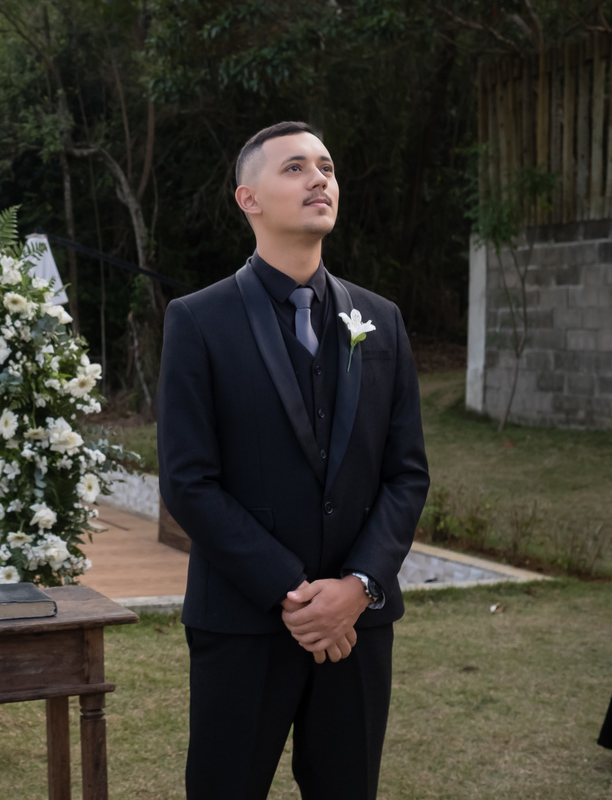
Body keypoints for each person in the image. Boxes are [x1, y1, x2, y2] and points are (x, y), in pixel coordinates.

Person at [158, 121, 431, 799]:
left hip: (357, 625)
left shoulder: (382, 320)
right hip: (242, 621)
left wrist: (357, 587)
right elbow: (189, 482)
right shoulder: (198, 320)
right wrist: (295, 591)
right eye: (295, 168)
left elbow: (406, 473)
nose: (319, 179)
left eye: (327, 167)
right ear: (248, 198)